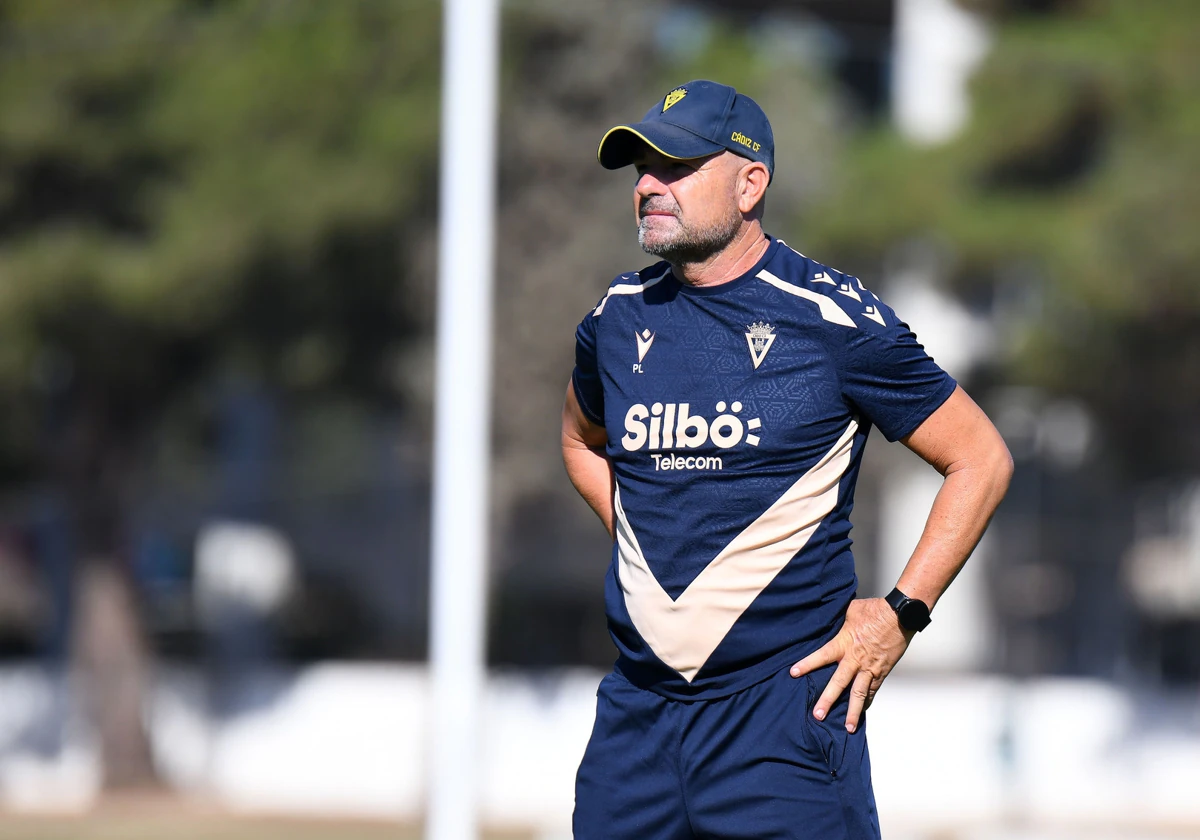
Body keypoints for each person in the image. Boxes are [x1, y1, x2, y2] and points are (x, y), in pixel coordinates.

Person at [561, 80, 1013, 839]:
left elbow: (982, 459)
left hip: (785, 723)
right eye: (641, 169)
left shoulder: (833, 320)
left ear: (750, 183)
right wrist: (643, 540)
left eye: (675, 167)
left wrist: (900, 615)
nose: (647, 187)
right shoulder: (615, 317)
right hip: (636, 726)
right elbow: (580, 443)